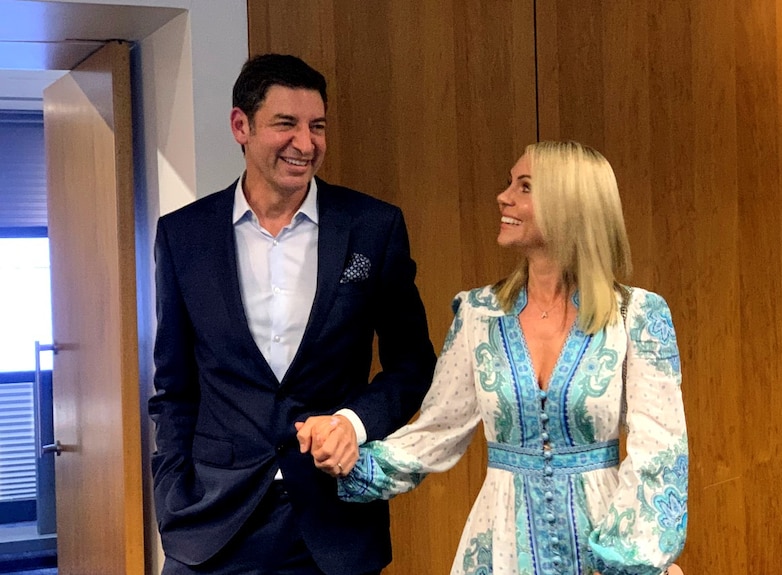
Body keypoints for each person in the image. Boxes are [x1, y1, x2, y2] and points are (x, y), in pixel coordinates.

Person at [337, 141, 688, 574]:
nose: (504, 197)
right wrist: (350, 462)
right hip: (499, 548)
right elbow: (437, 430)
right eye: (510, 184)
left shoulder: (636, 315)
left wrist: (635, 558)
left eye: (525, 187)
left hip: (603, 546)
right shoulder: (479, 314)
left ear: (569, 204)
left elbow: (661, 450)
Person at [148, 53, 436, 575]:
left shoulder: (374, 226)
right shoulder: (182, 235)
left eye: (317, 126)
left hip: (333, 526)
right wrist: (171, 497)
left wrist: (355, 422)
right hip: (211, 526)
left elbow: (413, 365)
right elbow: (174, 388)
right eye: (286, 124)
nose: (306, 144)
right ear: (242, 125)